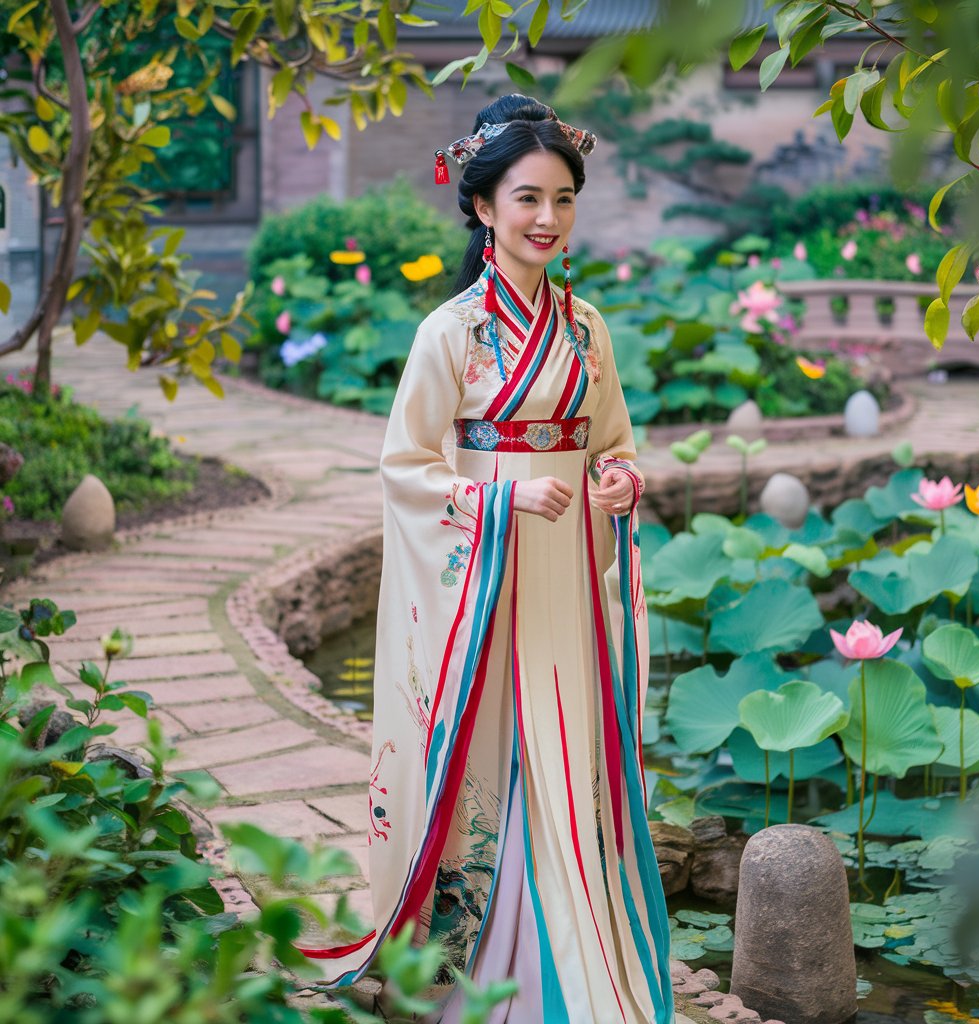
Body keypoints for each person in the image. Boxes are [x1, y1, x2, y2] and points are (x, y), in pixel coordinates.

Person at [299, 93, 673, 1023]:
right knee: (490, 745)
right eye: (527, 200)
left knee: (566, 742)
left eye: (563, 200)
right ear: (481, 208)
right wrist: (497, 497)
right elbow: (405, 468)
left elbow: (614, 442)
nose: (547, 219)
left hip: (570, 576)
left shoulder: (587, 328)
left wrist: (621, 482)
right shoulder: (449, 334)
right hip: (487, 579)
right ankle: (474, 961)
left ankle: (581, 950)